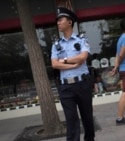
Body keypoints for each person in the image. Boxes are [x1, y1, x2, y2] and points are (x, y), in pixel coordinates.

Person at [51, 7, 95, 141]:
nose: (58, 22)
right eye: (57, 20)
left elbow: (82, 57)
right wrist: (73, 64)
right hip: (66, 88)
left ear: (70, 22)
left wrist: (64, 60)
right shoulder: (56, 44)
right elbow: (54, 64)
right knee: (71, 119)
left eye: (61, 19)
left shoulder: (81, 39)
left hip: (83, 84)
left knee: (87, 116)